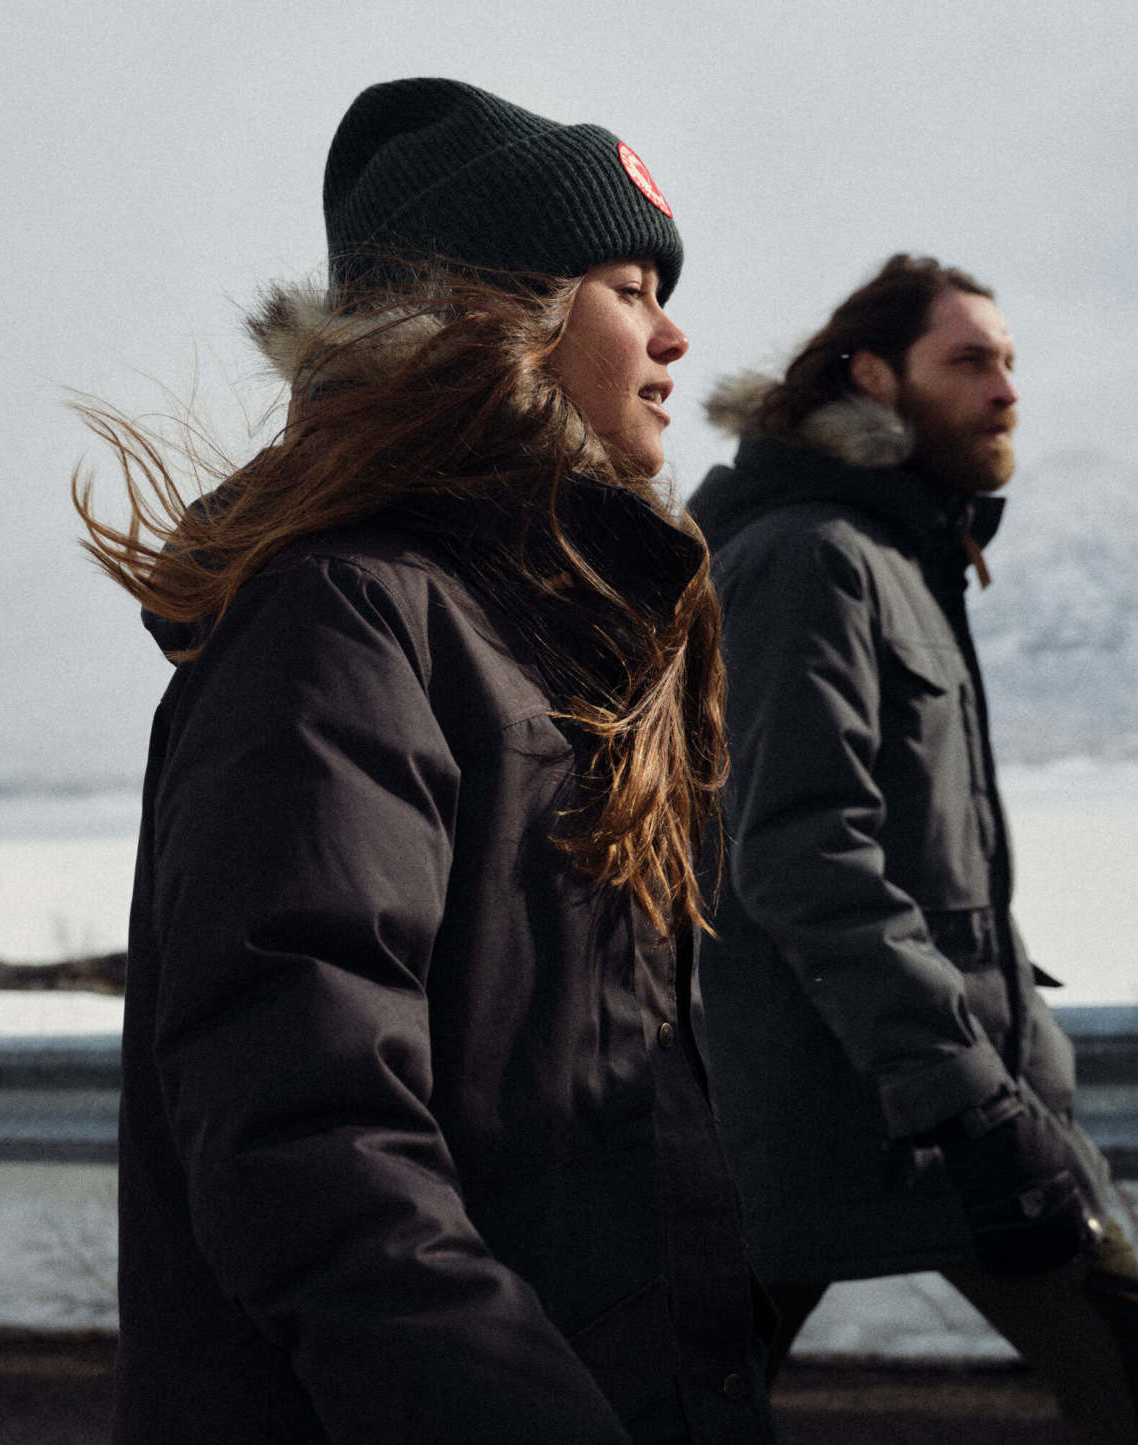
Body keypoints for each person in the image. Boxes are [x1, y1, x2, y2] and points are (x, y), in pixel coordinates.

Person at [74, 78, 775, 1444]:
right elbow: (312, 1136)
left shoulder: (544, 632)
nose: (674, 334)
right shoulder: (345, 618)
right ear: (497, 316)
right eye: (628, 289)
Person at [688, 253, 1138, 1442]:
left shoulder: (898, 556)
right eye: (969, 360)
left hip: (933, 1092)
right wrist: (972, 1107)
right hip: (876, 1112)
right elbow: (802, 854)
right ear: (874, 379)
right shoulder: (809, 556)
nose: (1005, 389)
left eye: (1009, 360)